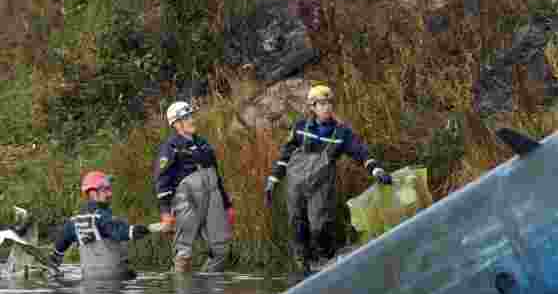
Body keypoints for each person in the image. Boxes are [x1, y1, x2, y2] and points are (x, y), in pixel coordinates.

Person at [264, 84, 392, 273]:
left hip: (322, 185)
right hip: (295, 183)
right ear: (312, 107)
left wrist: (376, 170)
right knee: (297, 222)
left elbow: (361, 152)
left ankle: (324, 261)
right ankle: (302, 265)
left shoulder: (341, 133)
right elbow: (286, 155)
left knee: (319, 224)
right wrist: (274, 179)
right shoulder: (300, 128)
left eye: (330, 103)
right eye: (322, 104)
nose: (327, 107)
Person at [154, 101, 235, 273]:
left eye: (191, 116)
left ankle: (208, 289)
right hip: (186, 200)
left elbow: (217, 175)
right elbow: (162, 181)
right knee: (184, 253)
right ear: (176, 123)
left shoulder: (204, 144)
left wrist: (227, 205)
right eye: (186, 117)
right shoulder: (170, 147)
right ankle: (182, 293)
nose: (192, 120)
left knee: (221, 250)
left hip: (213, 198)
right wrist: (166, 213)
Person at [48, 171, 153, 280]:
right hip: (117, 280)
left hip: (89, 284)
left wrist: (54, 260)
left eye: (109, 189)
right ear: (93, 193)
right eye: (105, 190)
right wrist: (137, 230)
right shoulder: (104, 217)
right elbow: (118, 231)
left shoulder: (73, 222)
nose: (110, 194)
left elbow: (60, 245)